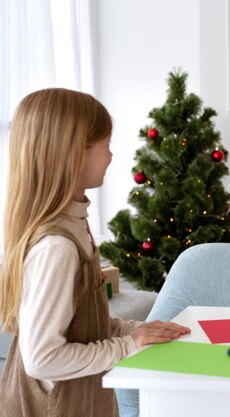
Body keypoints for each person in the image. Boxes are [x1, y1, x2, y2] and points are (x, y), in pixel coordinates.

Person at [0, 88, 190, 417]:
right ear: (72, 153)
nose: (111, 157)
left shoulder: (75, 227)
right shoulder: (56, 248)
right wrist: (129, 346)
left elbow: (81, 325)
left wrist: (134, 330)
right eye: (106, 146)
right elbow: (42, 359)